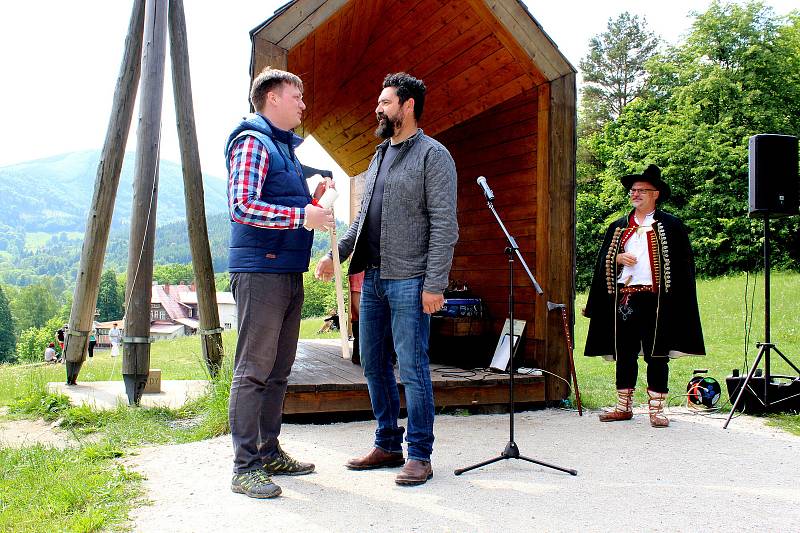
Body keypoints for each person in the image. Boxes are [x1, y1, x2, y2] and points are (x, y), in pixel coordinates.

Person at [316, 72, 458, 486]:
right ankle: (387, 443)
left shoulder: (434, 155)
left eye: (385, 102)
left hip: (411, 280)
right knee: (374, 364)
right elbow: (362, 219)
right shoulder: (379, 155)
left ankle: (420, 454)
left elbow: (444, 224)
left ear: (407, 105)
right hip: (373, 278)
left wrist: (435, 283)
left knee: (412, 368)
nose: (377, 108)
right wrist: (335, 254)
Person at [225, 67, 334, 499]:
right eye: (297, 96)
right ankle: (244, 466)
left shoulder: (283, 148)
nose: (303, 104)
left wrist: (313, 202)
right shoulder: (253, 141)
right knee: (253, 371)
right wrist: (301, 215)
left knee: (278, 372)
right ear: (273, 99)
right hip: (260, 272)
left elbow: (281, 204)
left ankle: (269, 452)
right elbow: (242, 206)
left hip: (287, 269)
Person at [583, 164, 705, 427]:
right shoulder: (618, 227)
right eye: (633, 190)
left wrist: (679, 303)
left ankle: (657, 410)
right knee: (624, 353)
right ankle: (623, 407)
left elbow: (684, 267)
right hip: (625, 300)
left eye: (641, 190)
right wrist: (615, 257)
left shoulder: (671, 226)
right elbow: (602, 262)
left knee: (656, 354)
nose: (635, 194)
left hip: (658, 301)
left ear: (655, 194)